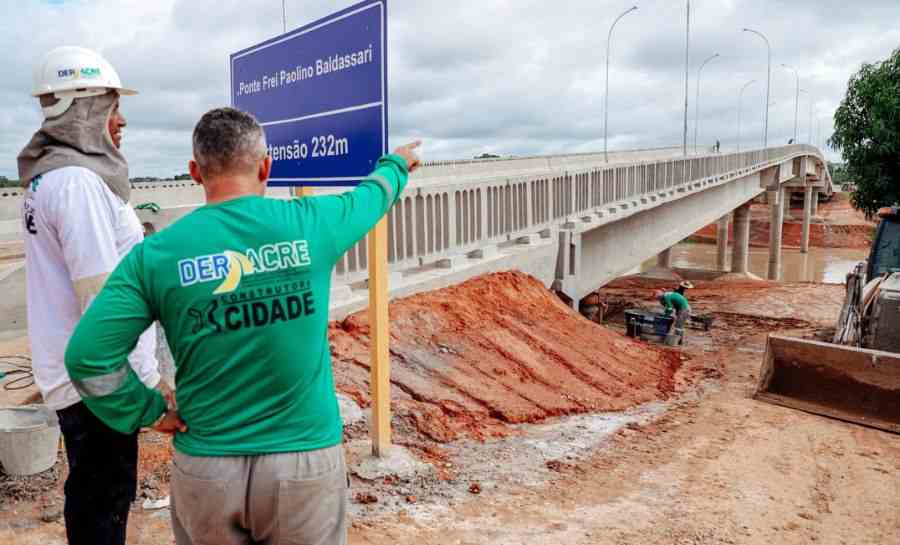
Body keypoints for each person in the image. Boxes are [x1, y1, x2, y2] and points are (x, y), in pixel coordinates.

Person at [65, 107, 421, 545]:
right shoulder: (312, 223)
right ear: (266, 166)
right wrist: (397, 162)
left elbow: (87, 358)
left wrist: (148, 411)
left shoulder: (155, 255)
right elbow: (373, 196)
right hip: (304, 461)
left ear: (195, 172)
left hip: (207, 466)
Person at [18, 46, 165, 545]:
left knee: (92, 497)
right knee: (103, 501)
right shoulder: (78, 182)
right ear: (80, 107)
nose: (120, 121)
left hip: (82, 377)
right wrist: (140, 390)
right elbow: (102, 300)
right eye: (111, 106)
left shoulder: (49, 177)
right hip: (99, 383)